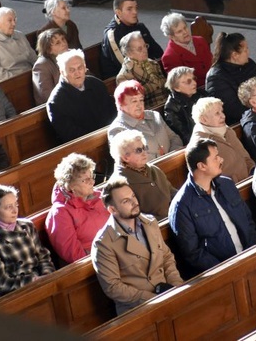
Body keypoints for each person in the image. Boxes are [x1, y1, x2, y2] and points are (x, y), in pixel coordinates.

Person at [92, 175, 183, 313]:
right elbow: (113, 287)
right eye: (126, 201)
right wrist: (155, 298)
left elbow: (166, 257)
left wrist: (176, 286)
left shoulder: (150, 222)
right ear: (112, 210)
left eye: (133, 196)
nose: (134, 202)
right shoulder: (103, 243)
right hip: (137, 308)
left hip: (168, 292)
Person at [169, 139, 256, 274]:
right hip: (221, 272)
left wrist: (253, 252)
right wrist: (224, 269)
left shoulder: (227, 184)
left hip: (251, 256)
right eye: (215, 157)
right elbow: (193, 252)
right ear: (202, 166)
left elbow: (248, 221)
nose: (221, 160)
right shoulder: (182, 205)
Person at [0, 185, 55, 298]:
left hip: (43, 282)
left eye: (16, 205)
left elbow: (43, 257)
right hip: (16, 295)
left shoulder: (27, 225)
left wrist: (47, 276)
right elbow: (2, 284)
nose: (15, 211)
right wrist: (33, 280)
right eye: (9, 207)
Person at [45, 153, 109, 264]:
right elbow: (72, 253)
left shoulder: (99, 196)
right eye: (85, 180)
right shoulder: (60, 213)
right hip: (95, 264)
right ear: (70, 185)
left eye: (92, 176)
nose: (92, 182)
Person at [205, 32, 256, 125]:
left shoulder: (248, 64)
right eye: (245, 50)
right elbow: (234, 111)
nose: (249, 52)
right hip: (244, 123)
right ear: (235, 55)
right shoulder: (216, 78)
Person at [48, 49, 116, 144]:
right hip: (85, 147)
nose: (77, 73)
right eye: (72, 70)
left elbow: (113, 112)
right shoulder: (56, 101)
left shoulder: (96, 84)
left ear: (85, 68)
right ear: (62, 72)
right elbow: (70, 136)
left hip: (112, 137)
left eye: (80, 68)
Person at [109, 129, 176, 220]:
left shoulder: (153, 169)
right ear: (125, 157)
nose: (145, 152)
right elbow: (132, 217)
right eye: (139, 150)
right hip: (154, 227)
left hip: (174, 217)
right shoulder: (120, 183)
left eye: (145, 148)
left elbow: (171, 191)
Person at [108, 79, 181, 160]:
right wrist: (160, 162)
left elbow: (174, 138)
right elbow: (127, 161)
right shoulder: (118, 129)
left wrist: (172, 158)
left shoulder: (154, 115)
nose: (139, 105)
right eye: (134, 101)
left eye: (141, 100)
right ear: (121, 105)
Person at [189, 97, 255, 182]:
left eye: (222, 111)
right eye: (217, 113)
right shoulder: (200, 144)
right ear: (203, 119)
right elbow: (210, 178)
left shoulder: (227, 131)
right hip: (232, 189)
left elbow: (245, 156)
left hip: (249, 180)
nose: (223, 116)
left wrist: (253, 170)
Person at [100, 0, 163, 79]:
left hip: (147, 71)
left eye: (136, 8)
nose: (135, 12)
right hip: (122, 81)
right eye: (129, 9)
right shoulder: (112, 35)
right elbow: (126, 65)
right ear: (118, 12)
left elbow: (158, 52)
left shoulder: (140, 27)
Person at [0, 7, 37, 82]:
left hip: (31, 76)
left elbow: (33, 57)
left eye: (14, 20)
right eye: (10, 20)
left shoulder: (19, 35)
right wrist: (20, 79)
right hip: (10, 83)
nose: (14, 24)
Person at [116, 31, 167, 108]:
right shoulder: (124, 76)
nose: (145, 50)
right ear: (128, 53)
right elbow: (133, 106)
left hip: (167, 106)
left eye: (145, 46)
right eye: (139, 49)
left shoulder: (153, 64)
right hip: (149, 114)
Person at [159, 13, 212, 86]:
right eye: (179, 31)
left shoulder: (200, 40)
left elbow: (213, 63)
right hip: (196, 90)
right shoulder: (170, 57)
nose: (185, 32)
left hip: (214, 80)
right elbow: (182, 86)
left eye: (185, 27)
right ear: (171, 36)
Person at [163, 66, 207, 144]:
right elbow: (184, 136)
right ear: (176, 88)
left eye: (194, 79)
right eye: (188, 81)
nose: (194, 83)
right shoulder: (171, 107)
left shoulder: (201, 94)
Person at [32, 28, 69, 105]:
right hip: (57, 107)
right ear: (49, 50)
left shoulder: (72, 54)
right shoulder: (41, 66)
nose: (63, 43)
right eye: (57, 43)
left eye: (63, 39)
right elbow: (48, 96)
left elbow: (88, 76)